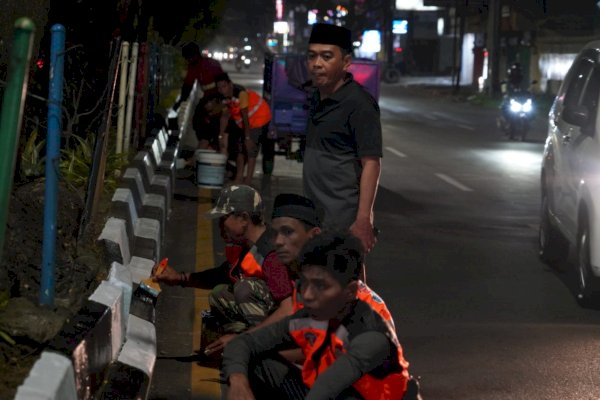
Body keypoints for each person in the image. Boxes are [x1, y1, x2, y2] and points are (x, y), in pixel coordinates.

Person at [221, 231, 414, 400]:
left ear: (350, 290)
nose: (307, 295)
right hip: (326, 390)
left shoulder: (371, 333)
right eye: (305, 283)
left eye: (321, 286)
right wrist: (238, 383)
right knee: (256, 360)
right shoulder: (321, 310)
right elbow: (243, 343)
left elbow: (326, 388)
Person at [153, 185, 293, 345]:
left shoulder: (272, 253)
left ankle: (262, 348)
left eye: (223, 219)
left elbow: (288, 310)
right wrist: (179, 278)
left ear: (244, 219)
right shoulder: (248, 246)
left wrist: (242, 340)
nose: (220, 227)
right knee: (220, 294)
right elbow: (221, 275)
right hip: (274, 315)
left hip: (292, 327)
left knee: (244, 288)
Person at [302, 23, 382, 256]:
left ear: (346, 62)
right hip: (315, 211)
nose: (317, 64)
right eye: (312, 56)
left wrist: (363, 219)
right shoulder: (317, 96)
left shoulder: (359, 104)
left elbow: (372, 163)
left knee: (346, 280)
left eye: (326, 57)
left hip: (342, 216)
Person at [216, 72, 273, 184]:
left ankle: (248, 180)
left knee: (250, 150)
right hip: (245, 122)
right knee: (240, 151)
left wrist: (247, 138)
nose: (222, 90)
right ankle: (239, 178)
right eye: (219, 88)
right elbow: (225, 116)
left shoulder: (241, 93)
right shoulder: (223, 98)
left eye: (224, 86)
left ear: (230, 84)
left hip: (259, 118)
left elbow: (245, 116)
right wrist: (221, 135)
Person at [173, 42, 224, 112]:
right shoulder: (193, 67)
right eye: (187, 59)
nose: (188, 61)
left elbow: (223, 82)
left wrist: (218, 99)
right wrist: (180, 101)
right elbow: (188, 85)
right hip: (208, 97)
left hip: (220, 95)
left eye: (189, 58)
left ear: (196, 55)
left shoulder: (211, 64)